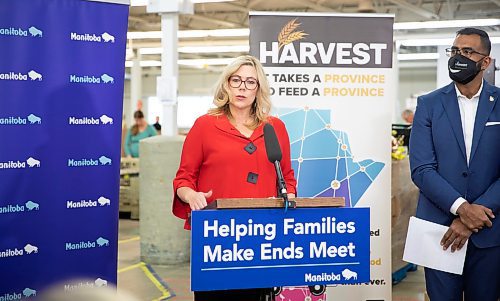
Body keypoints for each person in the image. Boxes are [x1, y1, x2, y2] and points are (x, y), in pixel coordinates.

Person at [172, 55, 297, 301]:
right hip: (216, 235)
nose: (242, 87)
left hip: (262, 233)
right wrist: (191, 195)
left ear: (258, 89)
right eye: (236, 80)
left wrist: (289, 195)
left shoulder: (275, 128)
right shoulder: (204, 126)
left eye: (250, 82)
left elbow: (287, 177)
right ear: (226, 85)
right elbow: (184, 179)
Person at [409, 28, 500, 301]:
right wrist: (462, 209)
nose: (459, 57)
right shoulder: (429, 104)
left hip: (490, 230)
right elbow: (422, 169)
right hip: (439, 231)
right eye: (455, 51)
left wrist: (474, 218)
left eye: (468, 52)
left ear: (485, 62)